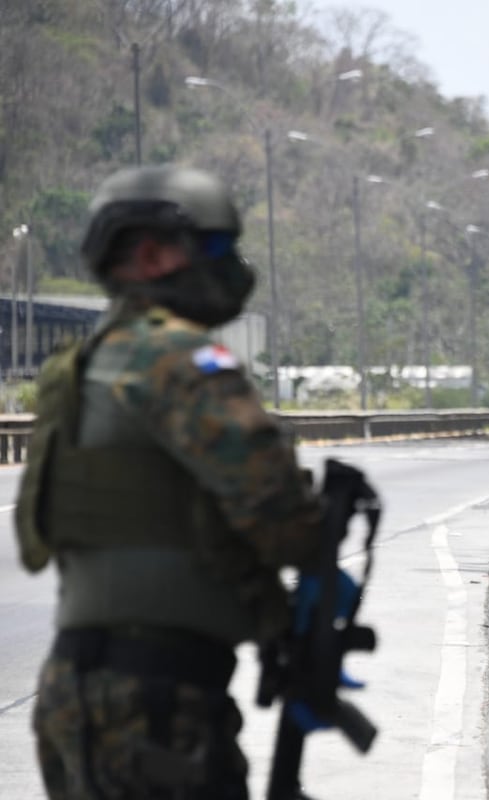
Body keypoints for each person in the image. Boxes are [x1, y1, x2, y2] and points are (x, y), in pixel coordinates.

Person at [15, 164, 324, 800]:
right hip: (159, 700)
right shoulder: (181, 360)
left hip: (71, 692)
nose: (231, 266)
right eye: (215, 248)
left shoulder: (75, 368)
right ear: (152, 254)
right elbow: (286, 523)